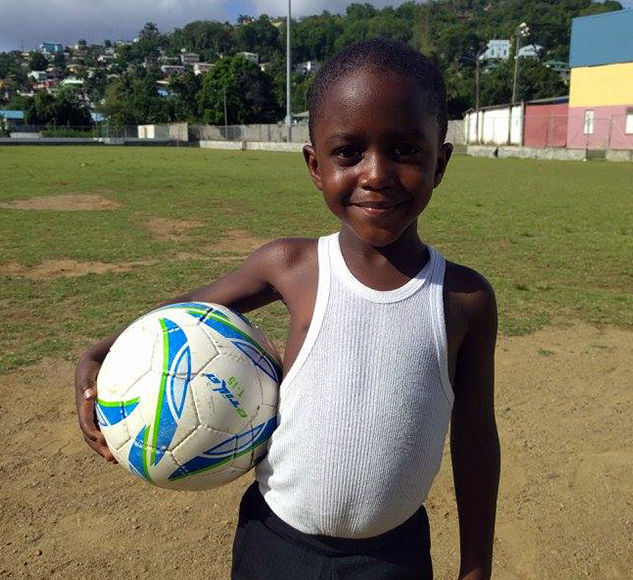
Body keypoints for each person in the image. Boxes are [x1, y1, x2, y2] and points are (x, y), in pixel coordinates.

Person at [75, 38, 500, 580]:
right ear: (315, 165)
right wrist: (97, 355)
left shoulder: (463, 299)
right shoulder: (292, 266)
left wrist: (476, 567)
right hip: (275, 546)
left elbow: (475, 437)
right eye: (349, 152)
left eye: (406, 150)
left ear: (439, 163)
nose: (376, 174)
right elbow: (180, 313)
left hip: (392, 557)